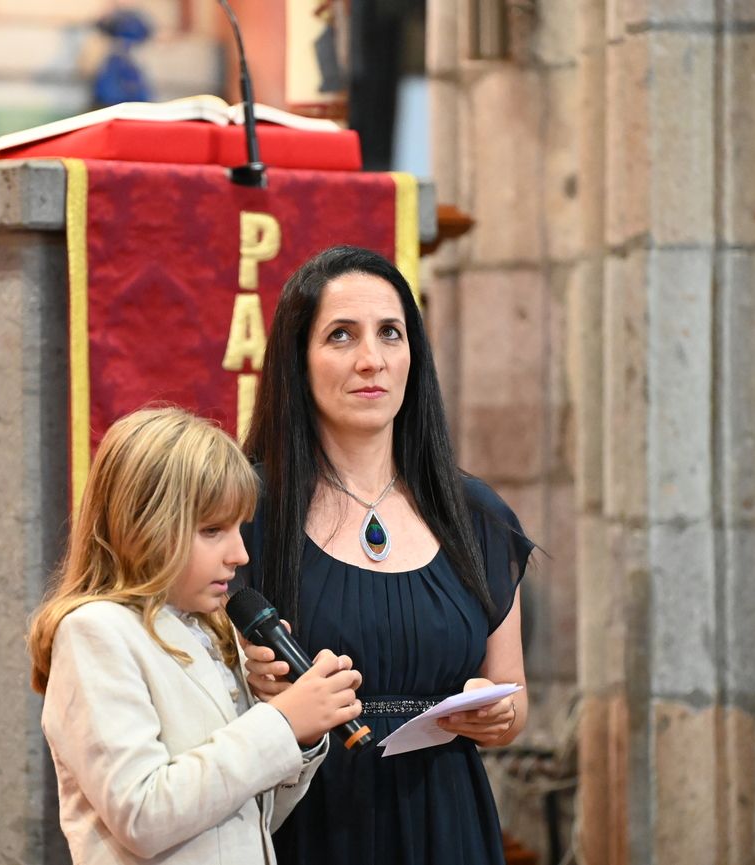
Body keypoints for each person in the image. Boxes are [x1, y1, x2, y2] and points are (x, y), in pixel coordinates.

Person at [237, 245, 536, 865]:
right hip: (309, 818)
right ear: (298, 359)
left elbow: (513, 701)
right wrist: (250, 684)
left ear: (413, 355)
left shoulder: (475, 514)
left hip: (447, 820)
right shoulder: (245, 511)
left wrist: (497, 714)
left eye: (390, 334)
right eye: (341, 336)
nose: (371, 360)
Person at [28, 407, 365, 865]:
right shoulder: (96, 631)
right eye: (212, 531)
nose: (239, 553)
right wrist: (280, 724)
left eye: (238, 529)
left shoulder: (213, 629)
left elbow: (251, 823)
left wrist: (298, 733)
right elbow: (142, 817)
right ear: (143, 525)